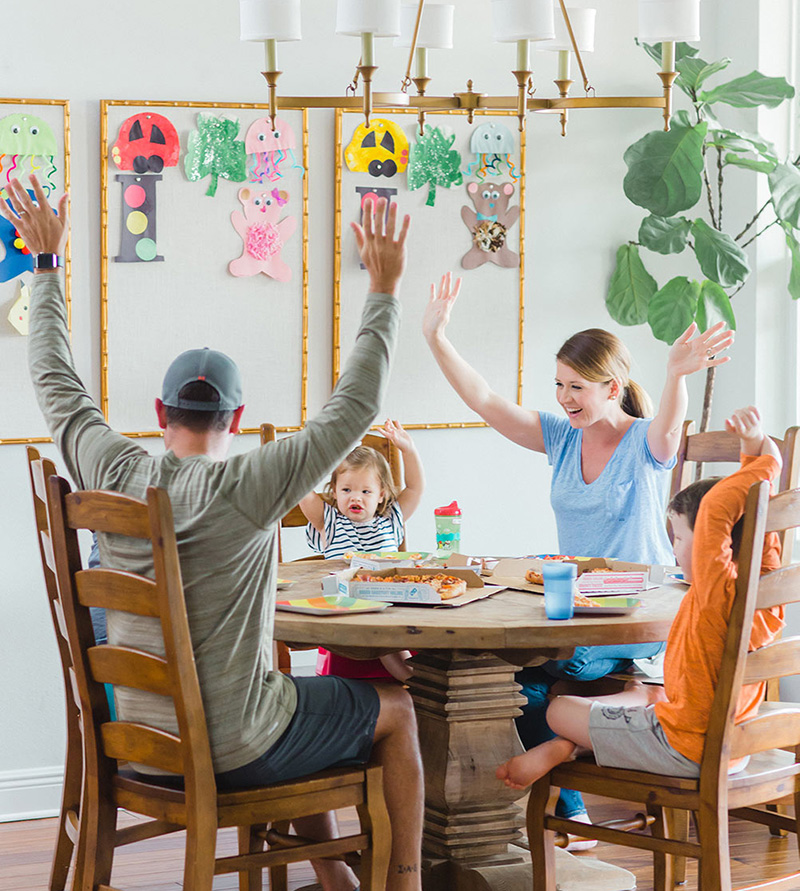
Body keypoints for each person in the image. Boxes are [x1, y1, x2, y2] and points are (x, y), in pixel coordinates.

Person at [6, 174, 423, 891]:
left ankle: (333, 877)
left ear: (160, 408)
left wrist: (46, 267)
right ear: (236, 418)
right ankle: (407, 882)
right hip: (233, 745)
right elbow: (356, 404)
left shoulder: (109, 463)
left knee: (294, 698)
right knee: (396, 710)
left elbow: (53, 376)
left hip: (134, 741)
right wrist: (383, 287)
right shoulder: (251, 482)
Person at [422, 271, 734, 842]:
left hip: (635, 618)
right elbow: (487, 400)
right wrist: (437, 338)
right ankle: (566, 780)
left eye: (577, 388)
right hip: (579, 613)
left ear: (612, 389)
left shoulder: (646, 444)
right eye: (559, 385)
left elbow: (670, 426)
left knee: (520, 677)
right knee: (514, 674)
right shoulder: (562, 437)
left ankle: (566, 802)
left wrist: (674, 374)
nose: (564, 398)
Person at [495, 406, 784, 790]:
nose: (674, 548)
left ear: (717, 548)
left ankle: (567, 746)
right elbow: (760, 533)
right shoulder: (764, 596)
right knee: (649, 696)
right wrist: (753, 453)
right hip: (731, 749)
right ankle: (595, 730)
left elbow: (715, 510)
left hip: (681, 747)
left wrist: (766, 463)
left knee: (559, 710)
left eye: (679, 538)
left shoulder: (716, 595)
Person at [301, 419, 424, 683]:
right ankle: (413, 680)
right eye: (346, 490)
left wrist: (408, 449)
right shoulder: (329, 522)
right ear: (333, 492)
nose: (355, 497)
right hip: (348, 609)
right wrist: (325, 448)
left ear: (381, 494)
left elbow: (414, 488)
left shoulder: (391, 520)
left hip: (393, 606)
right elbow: (300, 486)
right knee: (374, 618)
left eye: (366, 491)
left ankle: (418, 677)